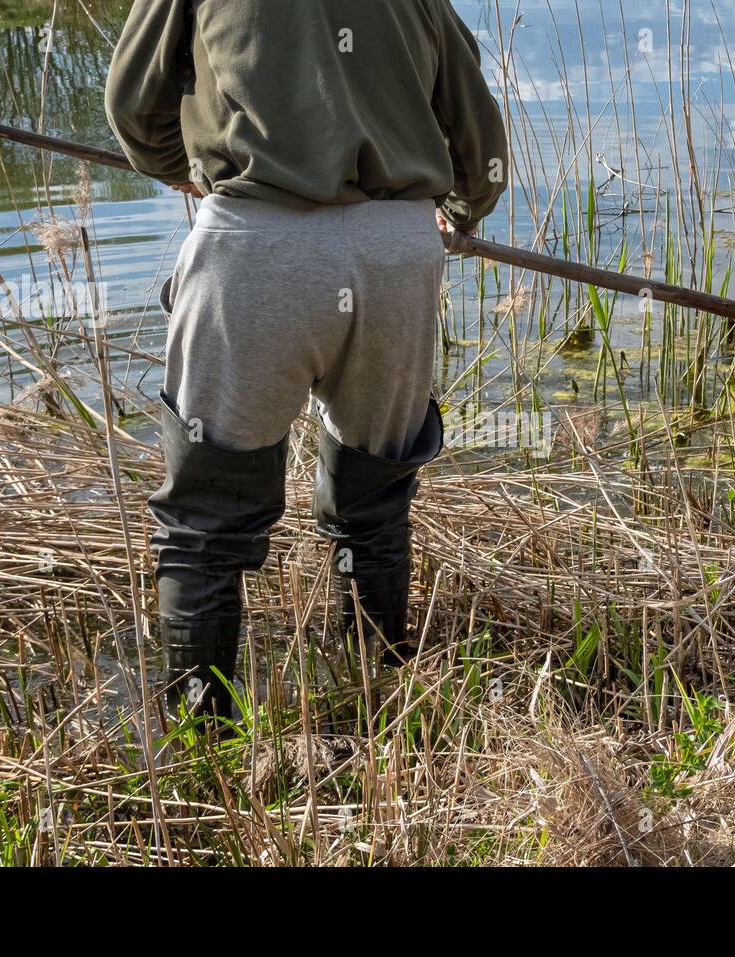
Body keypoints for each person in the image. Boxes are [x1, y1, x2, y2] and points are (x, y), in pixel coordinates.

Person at [104, 0, 508, 716]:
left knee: (207, 518)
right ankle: (375, 706)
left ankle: (203, 749)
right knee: (374, 503)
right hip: (395, 253)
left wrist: (198, 171)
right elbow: (478, 137)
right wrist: (463, 210)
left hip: (255, 243)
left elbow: (133, 105)